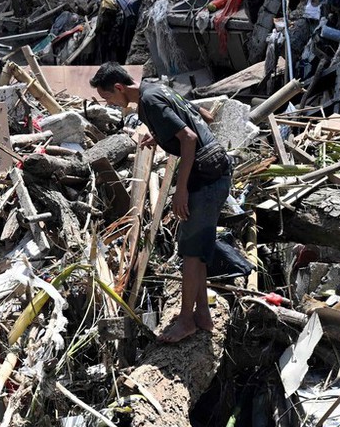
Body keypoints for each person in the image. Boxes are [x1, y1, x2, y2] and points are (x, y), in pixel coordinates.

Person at [90, 62, 233, 343]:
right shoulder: (155, 89)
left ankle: (186, 320)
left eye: (109, 97)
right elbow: (202, 116)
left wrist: (181, 190)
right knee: (196, 248)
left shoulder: (149, 100)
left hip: (206, 176)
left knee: (191, 252)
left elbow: (189, 138)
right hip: (213, 169)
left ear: (119, 87)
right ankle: (203, 315)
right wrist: (159, 135)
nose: (111, 104)